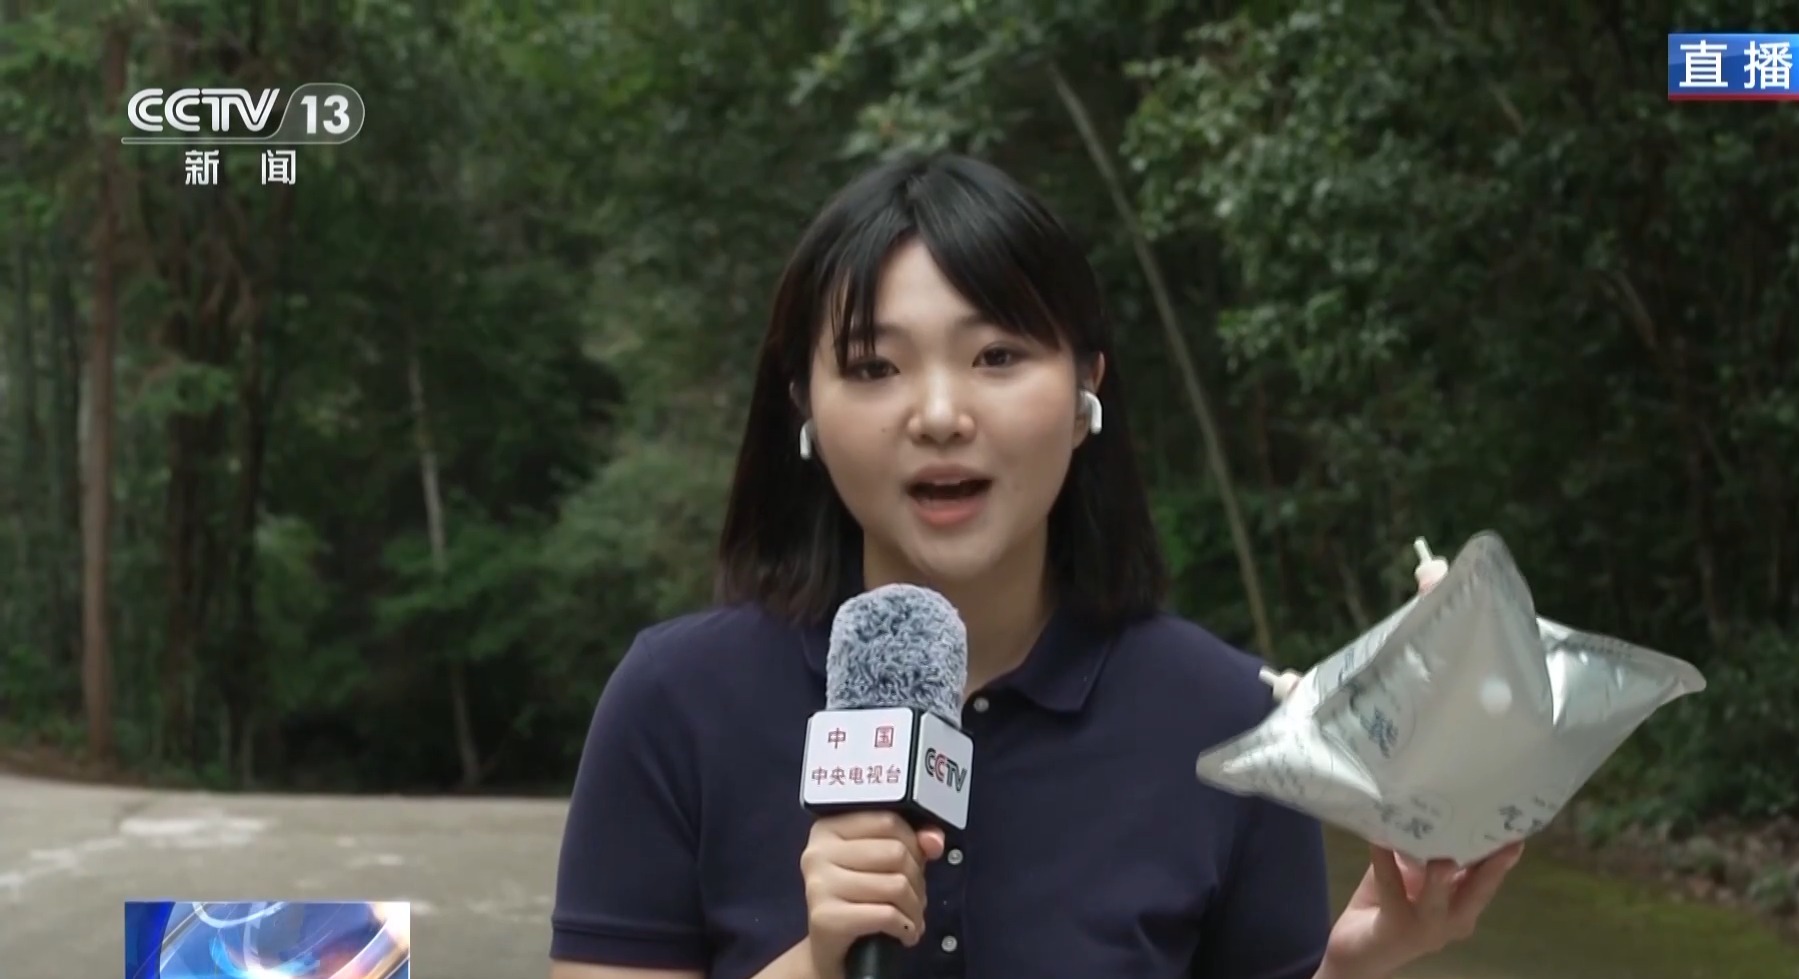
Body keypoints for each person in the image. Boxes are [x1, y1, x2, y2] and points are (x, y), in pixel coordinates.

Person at [547, 153, 1524, 979]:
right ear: (803, 403)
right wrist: (816, 961)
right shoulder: (677, 701)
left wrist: (1348, 970)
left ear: (1087, 384)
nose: (939, 415)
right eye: (876, 367)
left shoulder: (1228, 722)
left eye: (998, 356)